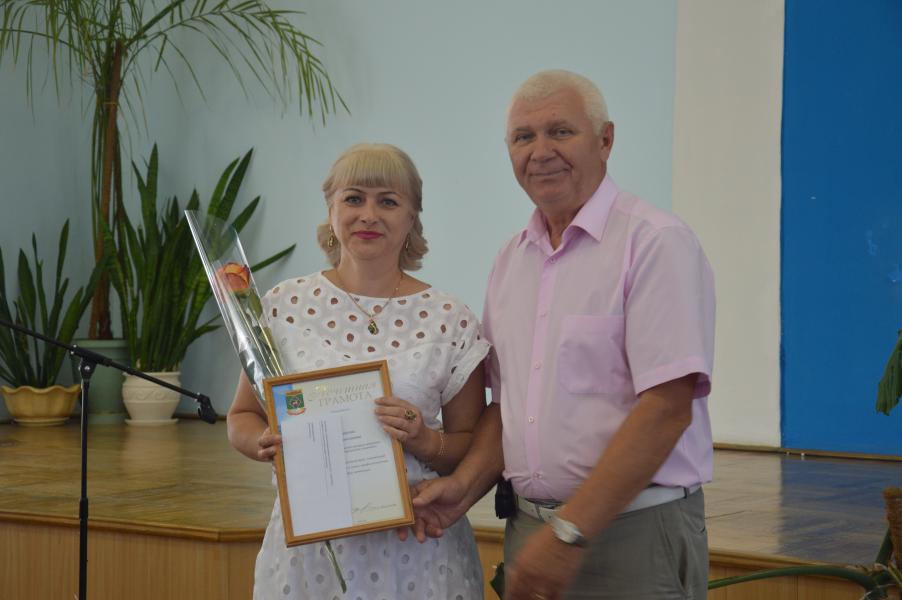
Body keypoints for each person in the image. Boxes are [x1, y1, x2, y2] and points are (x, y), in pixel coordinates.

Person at [408, 70, 716, 600]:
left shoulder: (656, 243)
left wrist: (569, 532)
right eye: (523, 137)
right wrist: (462, 489)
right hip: (532, 532)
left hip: (633, 537)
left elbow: (666, 409)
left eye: (560, 132)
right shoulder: (511, 260)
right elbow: (507, 408)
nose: (540, 151)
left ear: (605, 140)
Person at [227, 143, 490, 599]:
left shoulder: (450, 318)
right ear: (331, 210)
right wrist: (262, 442)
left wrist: (425, 439)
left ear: (412, 216)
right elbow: (241, 417)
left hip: (417, 550)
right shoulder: (283, 305)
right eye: (353, 198)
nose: (369, 215)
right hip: (310, 555)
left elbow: (470, 443)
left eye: (388, 201)